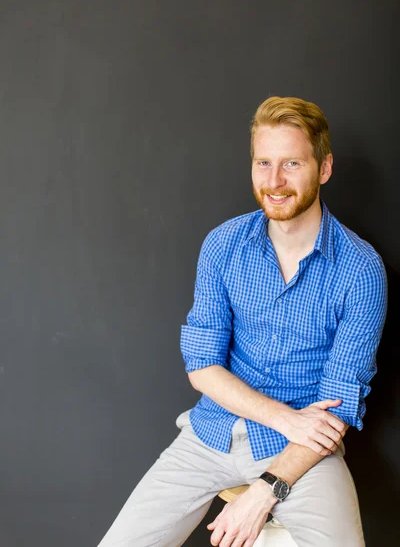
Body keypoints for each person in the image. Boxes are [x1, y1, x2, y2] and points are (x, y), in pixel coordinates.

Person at [98, 96, 387, 547]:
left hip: (302, 454)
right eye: (263, 163)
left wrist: (265, 490)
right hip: (210, 434)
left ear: (324, 168)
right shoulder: (223, 245)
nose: (274, 181)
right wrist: (285, 418)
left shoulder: (361, 270)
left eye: (291, 163)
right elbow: (202, 367)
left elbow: (335, 410)